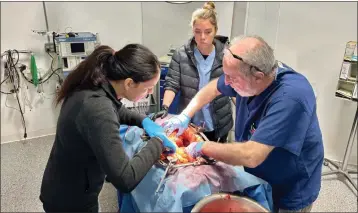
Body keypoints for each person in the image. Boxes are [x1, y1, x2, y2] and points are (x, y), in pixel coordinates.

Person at [163, 35, 324, 212]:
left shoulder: (291, 98)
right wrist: (186, 114)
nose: (227, 82)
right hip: (260, 172)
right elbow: (214, 87)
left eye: (231, 78)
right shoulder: (247, 77)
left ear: (258, 77)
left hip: (290, 183)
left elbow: (251, 155)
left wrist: (202, 147)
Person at [39, 44, 177, 212]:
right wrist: (158, 143)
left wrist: (144, 121)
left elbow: (117, 108)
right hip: (70, 200)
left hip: (66, 184)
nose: (149, 94)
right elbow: (125, 179)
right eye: (147, 89)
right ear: (129, 83)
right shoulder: (97, 108)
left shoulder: (95, 84)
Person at [153, 1, 233, 142]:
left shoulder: (227, 55)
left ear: (216, 30)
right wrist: (165, 107)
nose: (202, 37)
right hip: (190, 121)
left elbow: (235, 88)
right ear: (192, 30)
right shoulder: (181, 55)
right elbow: (172, 84)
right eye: (197, 32)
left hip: (219, 122)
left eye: (208, 32)